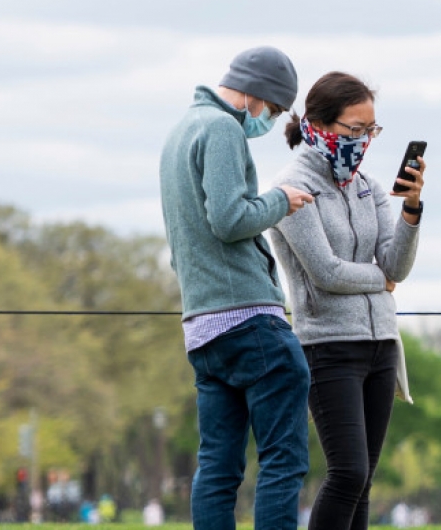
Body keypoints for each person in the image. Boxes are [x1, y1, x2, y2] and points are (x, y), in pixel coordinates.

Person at [160, 46, 316, 530]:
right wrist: (279, 200)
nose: (268, 120)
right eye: (272, 109)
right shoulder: (223, 128)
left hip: (203, 328)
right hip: (249, 318)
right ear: (256, 95)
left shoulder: (180, 132)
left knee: (218, 469)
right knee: (283, 460)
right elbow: (229, 219)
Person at [268, 71, 426, 530]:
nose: (363, 141)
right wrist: (382, 280)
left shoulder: (367, 186)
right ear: (318, 124)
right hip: (328, 345)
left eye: (370, 131)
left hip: (381, 344)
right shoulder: (294, 187)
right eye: (353, 130)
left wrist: (412, 210)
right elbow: (328, 273)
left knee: (364, 481)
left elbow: (397, 265)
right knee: (347, 473)